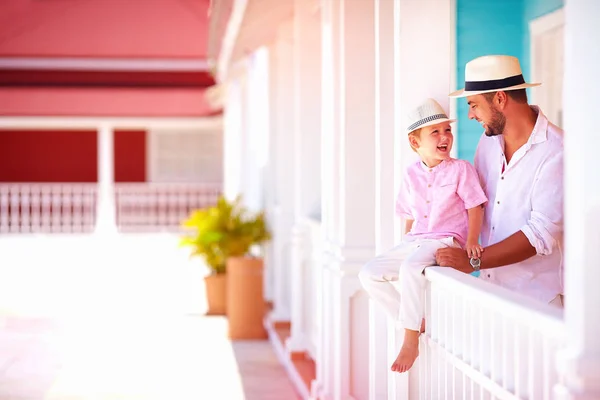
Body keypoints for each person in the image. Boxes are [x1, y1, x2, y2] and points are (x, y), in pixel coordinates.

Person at [359, 98, 487, 373]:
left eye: (447, 130)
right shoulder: (410, 174)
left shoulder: (460, 169)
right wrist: (404, 245)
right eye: (436, 132)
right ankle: (415, 321)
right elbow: (408, 214)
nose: (445, 137)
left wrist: (472, 241)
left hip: (445, 238)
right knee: (369, 273)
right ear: (415, 143)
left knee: (411, 268)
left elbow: (475, 207)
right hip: (416, 238)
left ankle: (409, 339)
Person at [437, 54, 564, 307]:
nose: (470, 115)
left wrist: (471, 261)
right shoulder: (487, 143)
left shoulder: (558, 150)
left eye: (473, 104)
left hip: (538, 304)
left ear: (499, 98)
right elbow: (473, 203)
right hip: (489, 292)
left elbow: (541, 233)